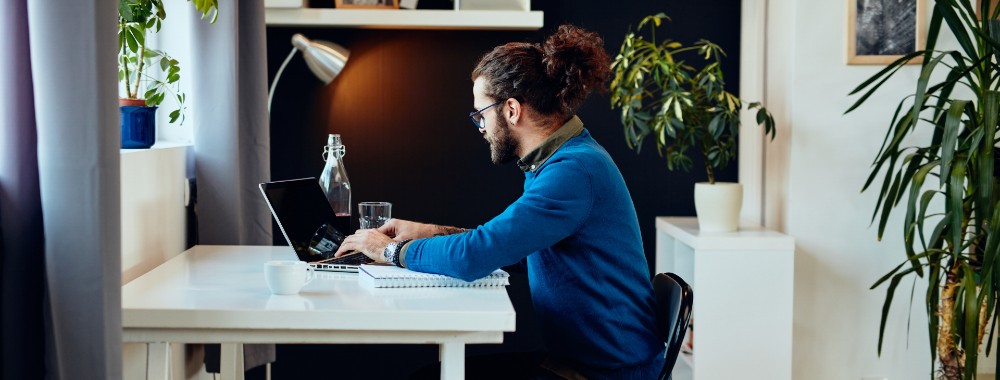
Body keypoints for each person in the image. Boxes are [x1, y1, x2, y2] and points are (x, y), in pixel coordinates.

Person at [334, 24, 664, 379]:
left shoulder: (573, 171)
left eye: (481, 113)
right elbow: (516, 247)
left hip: (606, 372)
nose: (479, 126)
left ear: (510, 110)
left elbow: (477, 254)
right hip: (584, 361)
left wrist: (387, 251)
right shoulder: (559, 160)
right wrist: (427, 232)